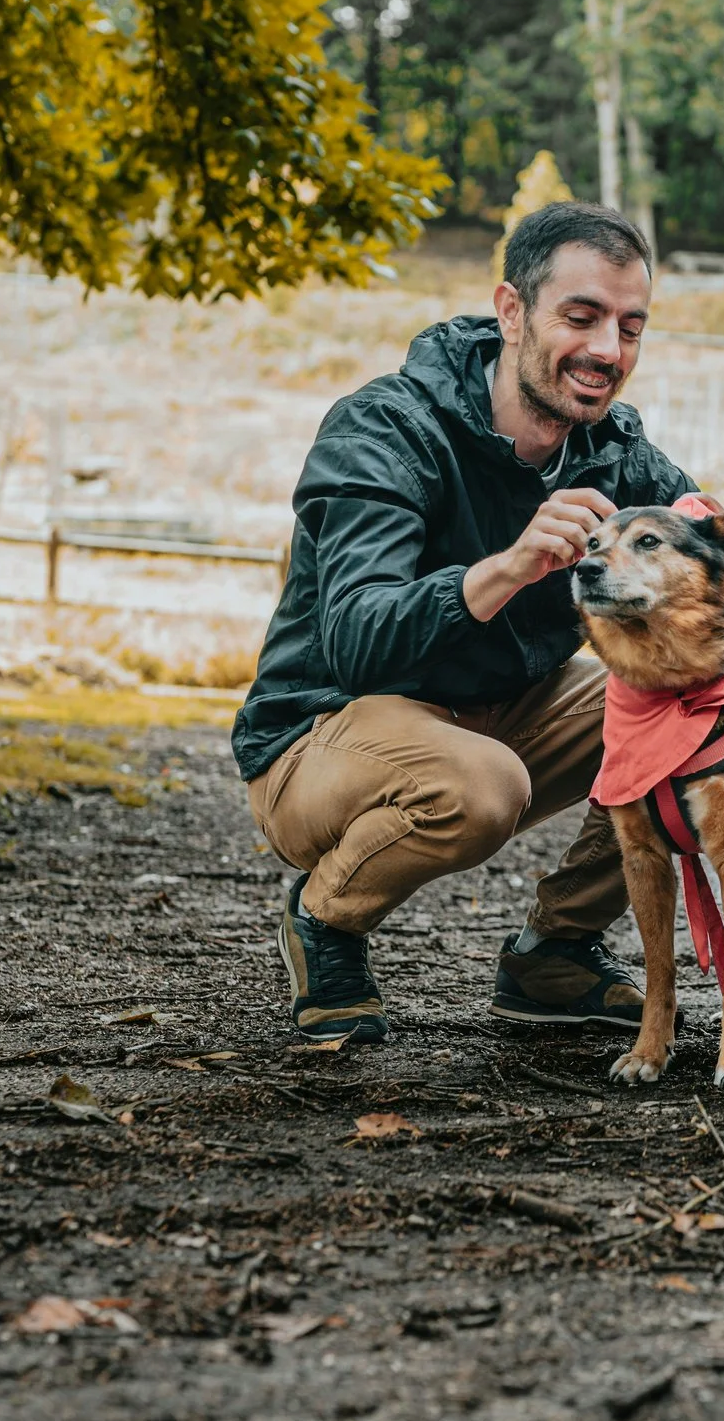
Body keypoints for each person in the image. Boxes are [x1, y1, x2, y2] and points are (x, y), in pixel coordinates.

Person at [232, 203, 696, 1043]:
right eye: (582, 317)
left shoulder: (617, 453)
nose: (608, 351)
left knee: (698, 706)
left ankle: (554, 952)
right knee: (484, 786)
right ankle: (324, 916)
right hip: (325, 737)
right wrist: (508, 566)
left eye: (631, 327)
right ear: (512, 310)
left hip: (500, 717)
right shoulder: (385, 428)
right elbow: (357, 639)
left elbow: (720, 552)